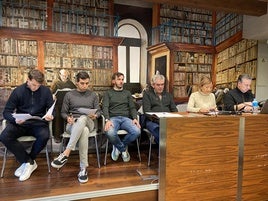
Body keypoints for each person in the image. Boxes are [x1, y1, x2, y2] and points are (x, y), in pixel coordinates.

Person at [0, 69, 55, 182]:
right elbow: (6, 112)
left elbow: (51, 109)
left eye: (39, 85)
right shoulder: (18, 91)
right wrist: (14, 119)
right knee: (4, 136)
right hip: (21, 123)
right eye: (34, 85)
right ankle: (29, 161)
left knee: (44, 135)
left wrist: (51, 115)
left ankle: (29, 161)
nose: (36, 87)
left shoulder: (46, 91)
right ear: (28, 80)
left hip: (38, 123)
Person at [51, 71, 101, 183]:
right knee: (84, 130)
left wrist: (95, 115)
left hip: (89, 121)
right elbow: (63, 112)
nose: (85, 86)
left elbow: (98, 111)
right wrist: (67, 118)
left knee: (83, 118)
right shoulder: (69, 95)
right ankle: (83, 169)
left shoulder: (93, 95)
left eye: (87, 83)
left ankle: (66, 153)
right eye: (82, 83)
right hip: (73, 124)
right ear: (76, 83)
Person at [102, 72, 141, 162]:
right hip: (113, 118)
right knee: (110, 132)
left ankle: (118, 146)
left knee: (137, 131)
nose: (121, 81)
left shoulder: (127, 93)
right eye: (119, 79)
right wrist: (107, 119)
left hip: (126, 118)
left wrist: (135, 118)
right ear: (113, 81)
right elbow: (105, 107)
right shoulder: (108, 93)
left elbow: (132, 107)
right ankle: (123, 149)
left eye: (122, 79)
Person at [142, 74, 178, 144]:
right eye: (158, 85)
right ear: (153, 85)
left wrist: (174, 117)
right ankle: (164, 152)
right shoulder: (147, 94)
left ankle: (171, 151)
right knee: (159, 131)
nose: (160, 87)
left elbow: (174, 110)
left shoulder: (168, 95)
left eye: (162, 84)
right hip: (152, 121)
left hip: (167, 120)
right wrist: (157, 118)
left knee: (178, 130)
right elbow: (146, 111)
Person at [51, 69, 76, 143]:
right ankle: (57, 136)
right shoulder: (56, 83)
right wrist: (53, 96)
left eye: (66, 76)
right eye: (63, 75)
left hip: (69, 104)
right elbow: (52, 93)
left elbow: (75, 93)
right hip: (58, 104)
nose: (64, 77)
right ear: (59, 75)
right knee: (57, 115)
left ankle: (70, 135)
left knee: (73, 114)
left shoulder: (71, 83)